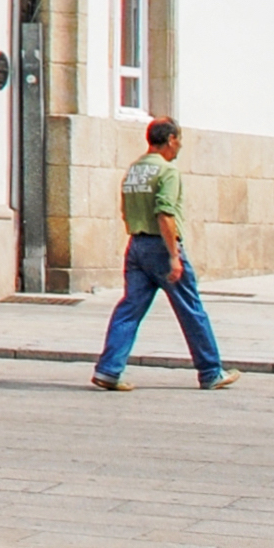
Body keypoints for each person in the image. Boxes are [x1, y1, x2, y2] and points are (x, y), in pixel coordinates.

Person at [91, 117, 233, 391]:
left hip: (136, 245)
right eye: (178, 140)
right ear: (170, 139)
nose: (179, 146)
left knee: (129, 309)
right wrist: (173, 256)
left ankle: (108, 369)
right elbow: (165, 214)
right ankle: (211, 371)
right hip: (161, 246)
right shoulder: (167, 171)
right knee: (191, 309)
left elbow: (125, 209)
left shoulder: (134, 170)